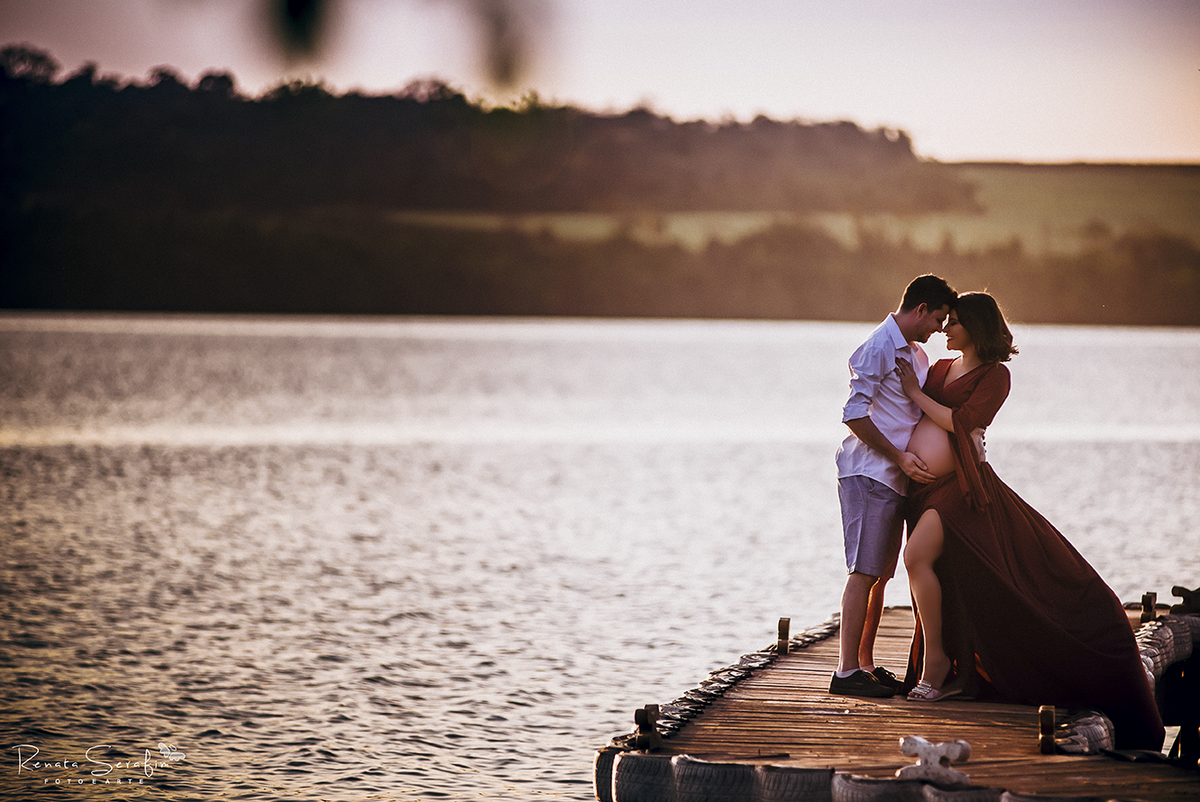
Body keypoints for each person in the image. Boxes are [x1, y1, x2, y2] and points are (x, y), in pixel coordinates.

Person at [896, 292, 1164, 751]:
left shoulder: (995, 376)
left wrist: (919, 397)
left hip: (964, 490)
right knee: (943, 571)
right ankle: (947, 666)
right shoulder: (939, 369)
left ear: (976, 328)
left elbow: (963, 422)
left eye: (954, 322)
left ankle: (936, 664)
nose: (945, 329)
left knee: (917, 555)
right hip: (925, 490)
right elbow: (911, 411)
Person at [829, 274, 957, 698]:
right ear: (920, 309)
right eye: (937, 319)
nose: (939, 328)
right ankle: (845, 673)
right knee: (863, 573)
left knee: (880, 577)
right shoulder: (879, 347)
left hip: (893, 479)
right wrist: (900, 456)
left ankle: (864, 664)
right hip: (869, 473)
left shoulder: (916, 355)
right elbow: (853, 414)